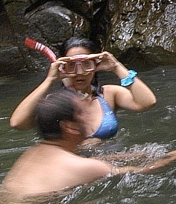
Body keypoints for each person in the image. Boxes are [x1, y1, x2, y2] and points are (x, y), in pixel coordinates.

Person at [0, 91, 176, 204]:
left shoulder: (34, 152)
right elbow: (144, 171)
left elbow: (90, 161)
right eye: (82, 112)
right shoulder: (86, 167)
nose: (89, 114)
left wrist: (136, 153)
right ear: (69, 127)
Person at [10, 37, 155, 141]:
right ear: (62, 66)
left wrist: (116, 67)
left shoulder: (109, 94)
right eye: (71, 65)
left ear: (96, 65)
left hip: (112, 167)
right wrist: (50, 80)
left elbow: (147, 102)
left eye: (86, 64)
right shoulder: (55, 105)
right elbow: (18, 123)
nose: (79, 72)